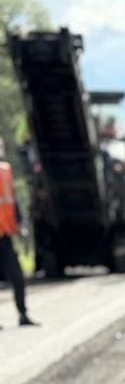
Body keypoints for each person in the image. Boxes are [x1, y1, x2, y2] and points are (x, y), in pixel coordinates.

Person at [0, 138, 37, 328]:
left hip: (5, 234)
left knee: (17, 276)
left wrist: (20, 222)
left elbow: (12, 200)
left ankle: (23, 314)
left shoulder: (6, 170)